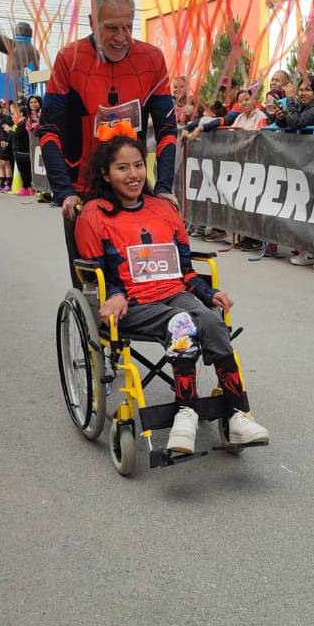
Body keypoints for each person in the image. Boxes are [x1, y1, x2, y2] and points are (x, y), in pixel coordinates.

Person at [74, 135, 269, 455]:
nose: (133, 174)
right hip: (132, 304)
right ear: (106, 174)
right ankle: (187, 412)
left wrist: (209, 294)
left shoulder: (163, 209)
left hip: (174, 293)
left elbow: (186, 270)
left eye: (138, 165)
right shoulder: (94, 215)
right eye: (122, 167)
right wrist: (116, 295)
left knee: (209, 319)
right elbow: (94, 276)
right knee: (182, 322)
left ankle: (237, 414)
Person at [38, 0, 177, 278]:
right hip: (82, 186)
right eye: (111, 28)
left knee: (149, 269)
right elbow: (49, 131)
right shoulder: (69, 59)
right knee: (92, 278)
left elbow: (167, 132)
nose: (121, 37)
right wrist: (64, 192)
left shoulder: (151, 59)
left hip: (131, 182)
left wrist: (164, 188)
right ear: (92, 23)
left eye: (128, 26)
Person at [0, 101, 14, 192]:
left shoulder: (7, 118)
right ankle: (1, 183)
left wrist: (7, 141)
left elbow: (10, 131)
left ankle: (8, 184)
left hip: (4, 143)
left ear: (1, 109)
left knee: (6, 164)